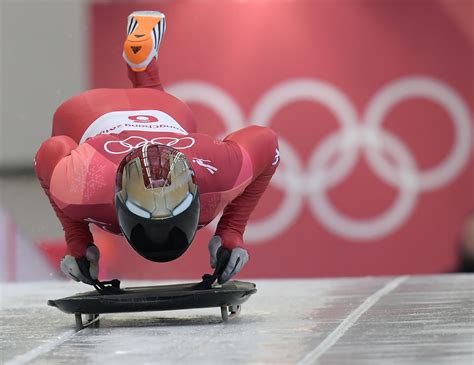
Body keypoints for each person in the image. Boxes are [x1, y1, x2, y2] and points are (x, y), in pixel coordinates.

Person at [35, 11, 279, 285]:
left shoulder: (84, 184)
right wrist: (231, 232)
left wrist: (77, 240)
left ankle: (144, 68)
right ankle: (144, 68)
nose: (161, 232)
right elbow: (267, 142)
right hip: (100, 113)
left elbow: (50, 152)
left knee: (170, 117)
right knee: (168, 116)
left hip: (135, 111)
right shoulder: (86, 185)